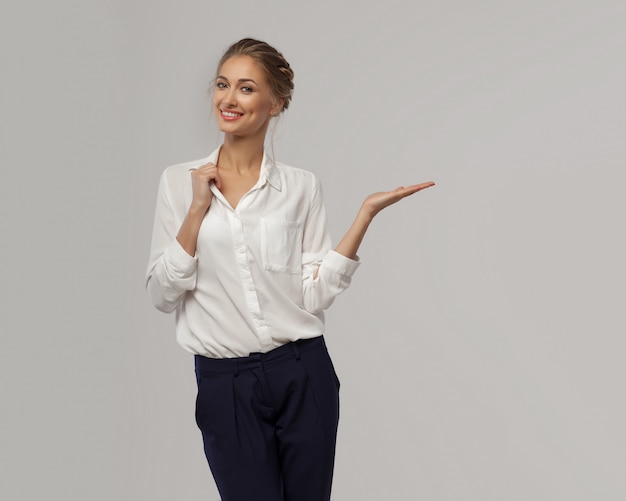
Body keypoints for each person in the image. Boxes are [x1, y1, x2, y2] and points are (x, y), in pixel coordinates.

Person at [146, 38, 434, 501]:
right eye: (223, 85)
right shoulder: (179, 183)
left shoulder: (301, 187)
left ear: (276, 103)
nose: (228, 99)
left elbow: (312, 295)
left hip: (303, 372)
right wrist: (197, 212)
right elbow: (162, 295)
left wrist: (363, 216)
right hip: (226, 384)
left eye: (245, 88)